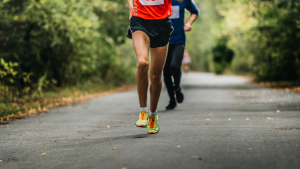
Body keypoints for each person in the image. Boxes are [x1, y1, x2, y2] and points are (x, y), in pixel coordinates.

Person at [126, 0, 173, 134]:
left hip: (161, 22)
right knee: (142, 63)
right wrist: (131, 6)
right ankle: (143, 112)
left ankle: (153, 116)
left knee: (155, 76)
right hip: (140, 19)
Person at [163, 0, 199, 110]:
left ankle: (177, 88)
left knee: (174, 66)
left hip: (178, 40)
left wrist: (188, 23)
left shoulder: (184, 1)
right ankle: (172, 100)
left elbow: (195, 12)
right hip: (163, 42)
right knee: (166, 73)